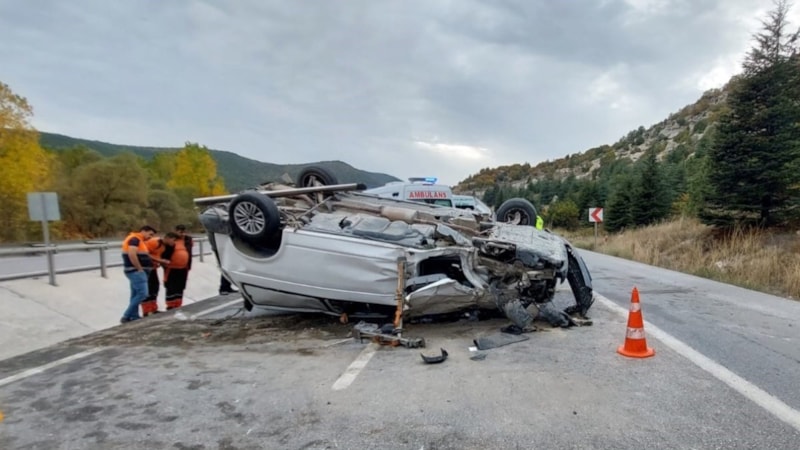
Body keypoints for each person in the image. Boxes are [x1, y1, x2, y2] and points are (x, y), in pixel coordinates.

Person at [121, 225, 157, 323]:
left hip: (136, 271)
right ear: (144, 231)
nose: (150, 237)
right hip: (136, 271)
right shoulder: (134, 239)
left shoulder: (139, 240)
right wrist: (139, 269)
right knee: (143, 293)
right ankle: (126, 315)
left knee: (135, 294)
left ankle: (133, 316)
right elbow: (132, 254)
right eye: (150, 234)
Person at [141, 232, 178, 316]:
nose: (174, 242)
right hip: (146, 268)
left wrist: (162, 263)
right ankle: (146, 311)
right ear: (167, 238)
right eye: (173, 240)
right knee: (148, 289)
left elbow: (157, 256)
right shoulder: (155, 242)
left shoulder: (164, 246)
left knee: (155, 288)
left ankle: (153, 309)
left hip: (153, 268)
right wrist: (159, 260)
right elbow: (144, 253)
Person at [164, 224, 193, 310]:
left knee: (180, 287)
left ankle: (178, 304)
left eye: (184, 232)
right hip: (171, 268)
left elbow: (190, 251)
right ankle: (170, 306)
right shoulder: (171, 239)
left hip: (184, 268)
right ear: (175, 231)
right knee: (171, 287)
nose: (182, 234)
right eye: (180, 232)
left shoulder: (188, 240)